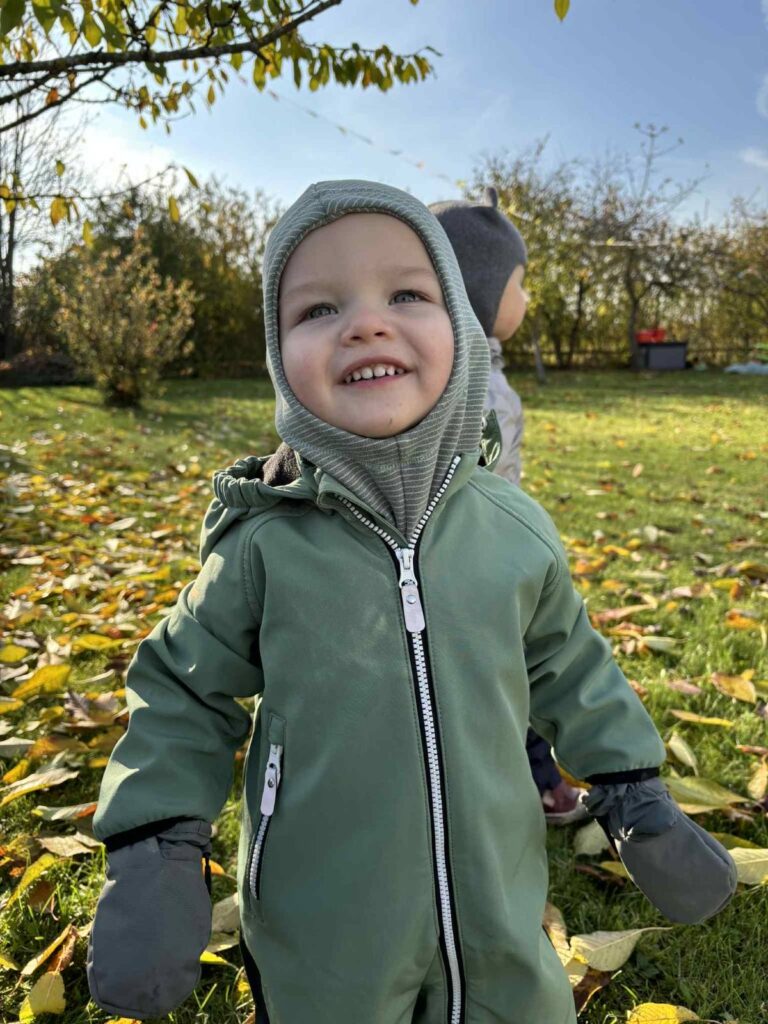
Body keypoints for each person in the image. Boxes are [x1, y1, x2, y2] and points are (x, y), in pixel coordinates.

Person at [86, 179, 736, 1024]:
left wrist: (631, 789)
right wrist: (157, 846)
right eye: (318, 309)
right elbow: (182, 689)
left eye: (406, 295)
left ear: (460, 327)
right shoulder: (262, 545)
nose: (365, 323)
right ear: (279, 357)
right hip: (323, 936)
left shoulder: (513, 528)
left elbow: (571, 663)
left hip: (503, 916)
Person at [430, 188, 585, 825]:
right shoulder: (472, 390)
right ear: (479, 291)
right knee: (512, 670)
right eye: (519, 283)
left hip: (484, 558)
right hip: (480, 568)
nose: (526, 298)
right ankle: (537, 783)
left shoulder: (472, 375)